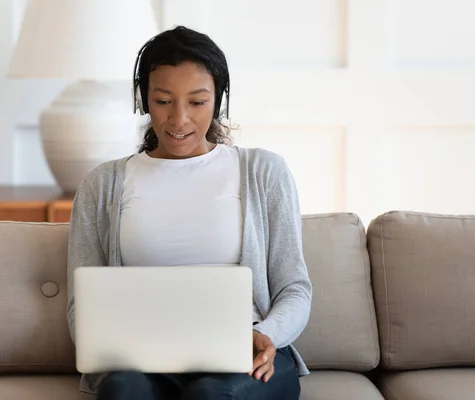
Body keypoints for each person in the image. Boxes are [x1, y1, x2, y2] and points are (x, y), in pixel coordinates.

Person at [66, 25, 312, 400]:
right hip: (143, 361)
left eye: (197, 102)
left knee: (211, 396)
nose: (179, 120)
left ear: (219, 101)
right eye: (164, 101)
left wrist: (267, 335)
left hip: (243, 357)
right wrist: (111, 348)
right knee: (122, 390)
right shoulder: (103, 185)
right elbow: (80, 306)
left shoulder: (264, 172)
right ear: (143, 100)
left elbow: (294, 288)